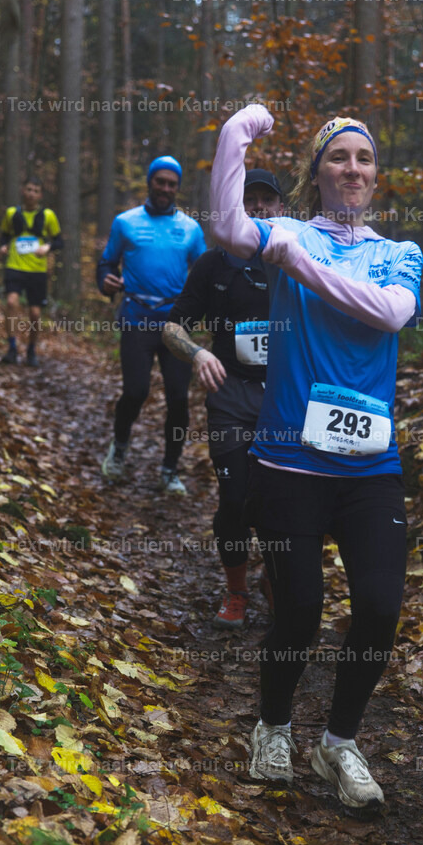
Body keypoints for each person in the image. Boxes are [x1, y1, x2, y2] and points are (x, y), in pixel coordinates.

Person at [210, 105, 423, 809]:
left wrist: (300, 265)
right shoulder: (290, 230)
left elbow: (389, 313)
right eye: (338, 157)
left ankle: (339, 743)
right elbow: (229, 229)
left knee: (380, 609)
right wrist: (234, 137)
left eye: (364, 158)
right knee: (298, 611)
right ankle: (272, 727)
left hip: (370, 469)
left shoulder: (400, 253)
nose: (352, 168)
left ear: (376, 175)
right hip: (288, 464)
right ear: (318, 172)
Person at [162, 169, 284, 627]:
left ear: (282, 208)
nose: (258, 207)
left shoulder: (298, 260)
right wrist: (197, 354)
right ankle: (237, 592)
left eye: (267, 200)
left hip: (287, 398)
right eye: (249, 199)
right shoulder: (213, 264)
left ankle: (277, 579)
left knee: (284, 499)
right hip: (231, 395)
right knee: (235, 500)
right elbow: (172, 326)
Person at [97, 156, 206, 494]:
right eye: (160, 181)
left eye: (172, 184)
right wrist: (106, 282)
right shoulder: (125, 222)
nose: (165, 188)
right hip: (137, 318)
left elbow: (204, 274)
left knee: (178, 398)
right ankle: (119, 448)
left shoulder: (191, 228)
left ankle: (170, 469)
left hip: (176, 324)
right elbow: (106, 264)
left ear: (178, 188)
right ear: (150, 182)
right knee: (136, 391)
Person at [0, 176, 63, 367]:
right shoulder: (11, 213)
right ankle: (12, 347)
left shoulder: (48, 215)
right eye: (29, 190)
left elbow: (59, 241)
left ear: (40, 195)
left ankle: (31, 349)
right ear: (23, 191)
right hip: (15, 266)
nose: (31, 194)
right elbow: (4, 235)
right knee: (11, 302)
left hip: (37, 270)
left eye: (36, 191)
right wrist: (3, 246)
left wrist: (47, 247)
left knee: (35, 313)